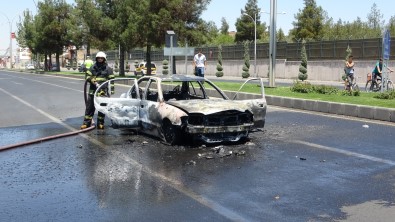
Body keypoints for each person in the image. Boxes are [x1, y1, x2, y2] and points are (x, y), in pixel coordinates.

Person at [80, 51, 115, 130]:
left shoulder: (108, 69)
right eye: (98, 58)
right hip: (93, 91)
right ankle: (86, 123)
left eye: (101, 58)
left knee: (102, 108)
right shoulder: (93, 67)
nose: (100, 59)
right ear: (96, 58)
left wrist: (111, 91)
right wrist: (93, 80)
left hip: (103, 92)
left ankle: (100, 123)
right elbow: (87, 76)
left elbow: (112, 80)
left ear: (104, 59)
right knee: (90, 108)